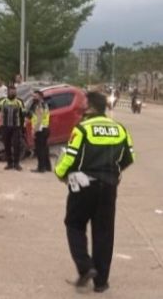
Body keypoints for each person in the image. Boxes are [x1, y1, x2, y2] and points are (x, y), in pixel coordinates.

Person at [54, 91, 134, 293]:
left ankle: (86, 267)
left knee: (74, 224)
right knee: (104, 233)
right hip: (109, 187)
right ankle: (101, 282)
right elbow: (128, 158)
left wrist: (60, 173)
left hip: (84, 186)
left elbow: (70, 157)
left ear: (90, 107)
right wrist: (112, 175)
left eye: (84, 104)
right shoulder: (120, 129)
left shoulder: (82, 129)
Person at [0, 84, 26, 171]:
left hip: (16, 127)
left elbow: (23, 114)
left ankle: (17, 163)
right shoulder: (2, 101)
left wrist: (23, 127)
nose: (13, 92)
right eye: (11, 91)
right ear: (8, 91)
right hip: (5, 126)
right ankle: (9, 163)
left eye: (14, 91)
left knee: (16, 145)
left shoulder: (19, 101)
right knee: (7, 145)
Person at [29, 90, 51, 173]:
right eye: (33, 96)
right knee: (45, 148)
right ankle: (47, 166)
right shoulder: (44, 104)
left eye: (35, 96)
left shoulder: (39, 105)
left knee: (39, 149)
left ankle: (41, 168)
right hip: (45, 128)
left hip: (40, 129)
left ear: (40, 96)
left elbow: (39, 119)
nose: (34, 98)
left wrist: (34, 130)